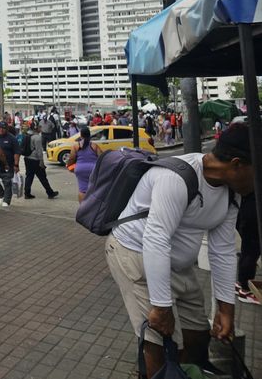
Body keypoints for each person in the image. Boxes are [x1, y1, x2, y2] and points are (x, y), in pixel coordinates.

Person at [105, 122, 253, 378]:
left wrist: (226, 310)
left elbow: (223, 250)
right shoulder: (176, 178)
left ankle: (183, 371)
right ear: (237, 164)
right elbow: (156, 240)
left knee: (197, 334)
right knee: (160, 343)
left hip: (174, 264)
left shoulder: (232, 193)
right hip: (134, 255)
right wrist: (161, 307)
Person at [235, 192, 260, 305]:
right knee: (251, 251)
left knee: (247, 249)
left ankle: (241, 283)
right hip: (253, 212)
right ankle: (245, 290)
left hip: (246, 209)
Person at [22, 124, 59, 200]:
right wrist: (41, 162)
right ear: (36, 128)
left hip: (27, 158)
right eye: (40, 127)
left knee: (29, 176)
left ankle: (27, 193)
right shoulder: (37, 138)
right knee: (43, 177)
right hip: (35, 160)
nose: (41, 128)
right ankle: (50, 193)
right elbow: (39, 151)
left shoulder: (27, 135)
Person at [68, 125, 101, 202]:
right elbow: (101, 157)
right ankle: (93, 207)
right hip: (93, 169)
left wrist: (69, 167)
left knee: (82, 190)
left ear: (81, 135)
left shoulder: (76, 146)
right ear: (89, 135)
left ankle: (83, 209)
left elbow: (71, 158)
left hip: (80, 169)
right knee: (94, 189)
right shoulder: (94, 145)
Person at [0, 121, 19, 208]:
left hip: (8, 164)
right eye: (0, 128)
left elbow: (17, 152)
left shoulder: (12, 138)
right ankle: (2, 195)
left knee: (7, 182)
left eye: (3, 128)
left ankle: (7, 200)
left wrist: (16, 165)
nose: (1, 130)